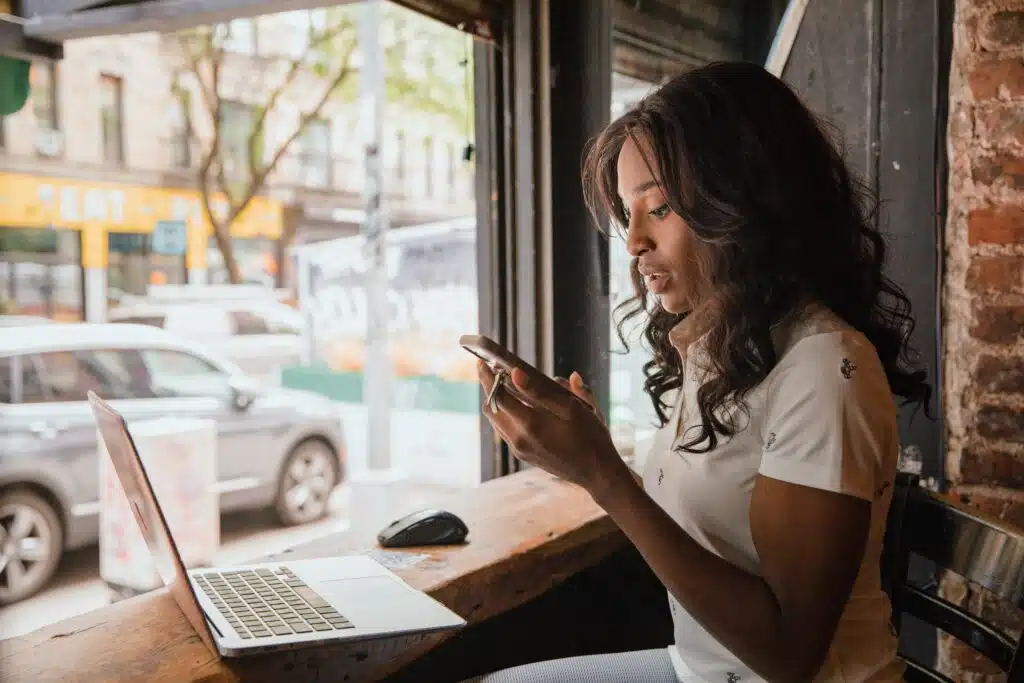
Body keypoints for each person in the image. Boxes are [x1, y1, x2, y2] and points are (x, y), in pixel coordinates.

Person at [466, 61, 931, 683]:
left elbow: (790, 657)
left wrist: (603, 476)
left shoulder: (825, 370)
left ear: (743, 204)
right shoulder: (728, 344)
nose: (631, 242)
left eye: (657, 208)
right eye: (626, 212)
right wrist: (584, 453)